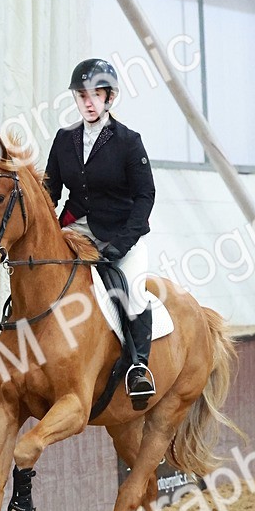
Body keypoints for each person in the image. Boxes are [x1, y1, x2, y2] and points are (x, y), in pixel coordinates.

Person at [43, 58, 156, 409]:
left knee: (133, 292)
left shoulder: (128, 142)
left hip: (121, 234)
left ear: (109, 98)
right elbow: (51, 191)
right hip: (76, 228)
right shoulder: (64, 139)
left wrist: (124, 242)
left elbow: (145, 196)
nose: (88, 102)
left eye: (96, 94)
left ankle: (138, 367)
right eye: (82, 95)